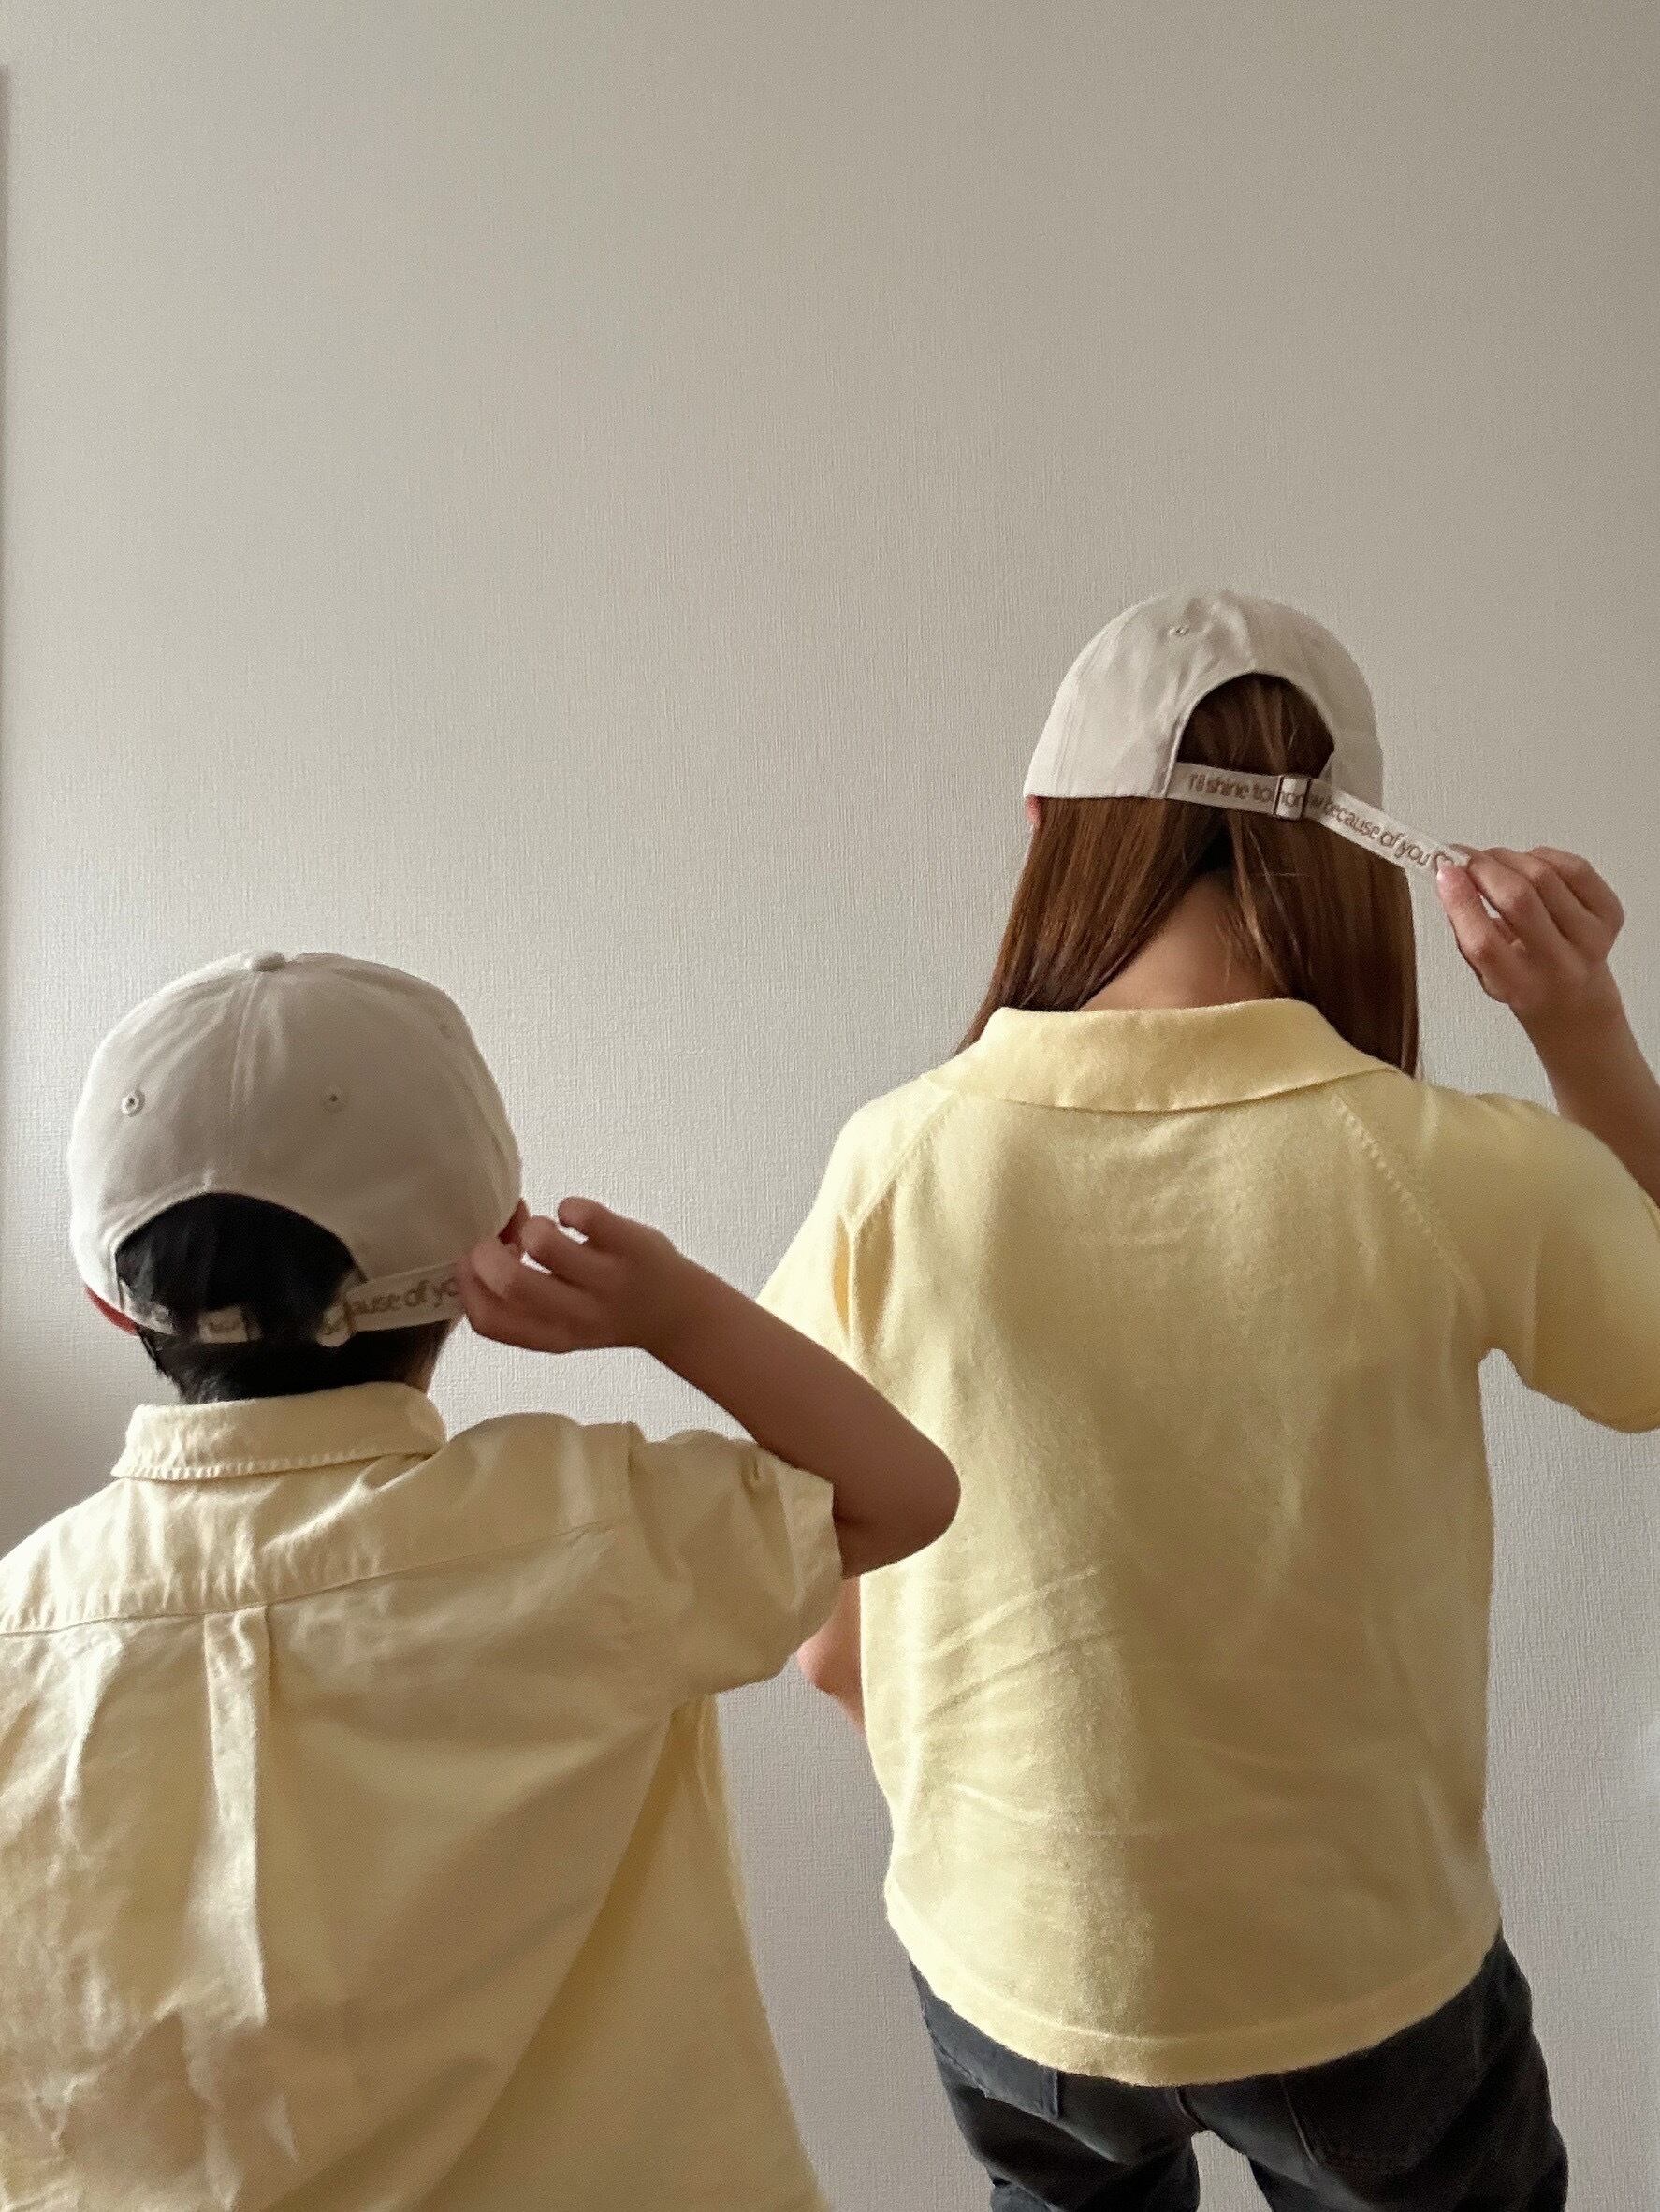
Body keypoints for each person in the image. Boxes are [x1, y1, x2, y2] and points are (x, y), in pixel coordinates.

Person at [764, 590, 1660, 2211]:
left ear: (1046, 824)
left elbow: (816, 1615)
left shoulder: (895, 1163)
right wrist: (1580, 1025)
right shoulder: (1441, 1163)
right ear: (1350, 853)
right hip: (1356, 1976)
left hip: (1011, 1961)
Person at [0, 950, 957, 2212]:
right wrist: (671, 1313)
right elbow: (901, 1492)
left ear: (109, 1300)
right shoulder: (585, 1532)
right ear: (492, 1254)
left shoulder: (20, 1628)